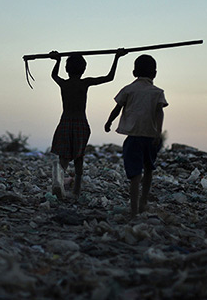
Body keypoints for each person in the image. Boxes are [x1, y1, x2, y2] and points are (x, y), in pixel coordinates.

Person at [50, 48, 127, 199]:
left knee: (63, 158)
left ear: (66, 69)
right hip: (80, 124)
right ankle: (76, 192)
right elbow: (109, 77)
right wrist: (117, 57)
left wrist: (57, 60)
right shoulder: (85, 83)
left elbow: (53, 75)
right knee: (79, 157)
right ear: (84, 69)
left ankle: (58, 183)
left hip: (65, 123)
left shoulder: (64, 84)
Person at [104, 54, 167, 217]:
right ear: (154, 73)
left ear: (134, 72)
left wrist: (109, 122)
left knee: (135, 175)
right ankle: (143, 202)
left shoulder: (128, 89)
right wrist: (158, 133)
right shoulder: (157, 92)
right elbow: (159, 113)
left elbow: (117, 108)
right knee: (148, 170)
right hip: (150, 138)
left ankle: (133, 210)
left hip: (133, 138)